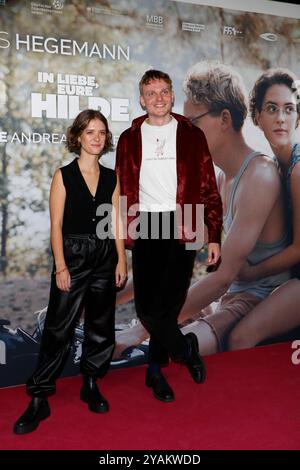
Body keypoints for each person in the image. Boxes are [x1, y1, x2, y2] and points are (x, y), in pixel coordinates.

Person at [114, 61, 291, 358]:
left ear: (224, 119)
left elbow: (223, 276)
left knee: (168, 352)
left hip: (259, 299)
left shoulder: (260, 176)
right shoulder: (219, 179)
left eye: (192, 123)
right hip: (228, 297)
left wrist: (144, 327)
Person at [13, 110, 127, 435]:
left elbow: (115, 222)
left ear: (105, 139)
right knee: (58, 328)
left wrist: (121, 260)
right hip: (73, 256)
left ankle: (90, 381)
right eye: (89, 131)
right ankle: (39, 396)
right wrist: (61, 266)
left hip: (105, 255)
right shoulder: (63, 175)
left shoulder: (111, 177)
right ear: (77, 137)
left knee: (101, 324)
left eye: (101, 132)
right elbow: (56, 226)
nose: (96, 137)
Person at [116, 69, 222, 403]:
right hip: (145, 222)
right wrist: (116, 240)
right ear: (142, 99)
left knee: (170, 303)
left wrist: (215, 235)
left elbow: (208, 187)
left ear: (172, 95)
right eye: (151, 93)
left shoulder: (192, 134)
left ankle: (155, 372)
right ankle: (184, 348)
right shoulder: (129, 137)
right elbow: (119, 191)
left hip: (185, 220)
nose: (158, 98)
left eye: (164, 91)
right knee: (148, 308)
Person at [231, 68, 300, 346]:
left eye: (289, 109)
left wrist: (250, 272)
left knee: (240, 338)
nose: (281, 118)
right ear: (257, 116)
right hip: (286, 280)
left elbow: (299, 248)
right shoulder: (269, 166)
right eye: (272, 109)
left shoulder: (297, 170)